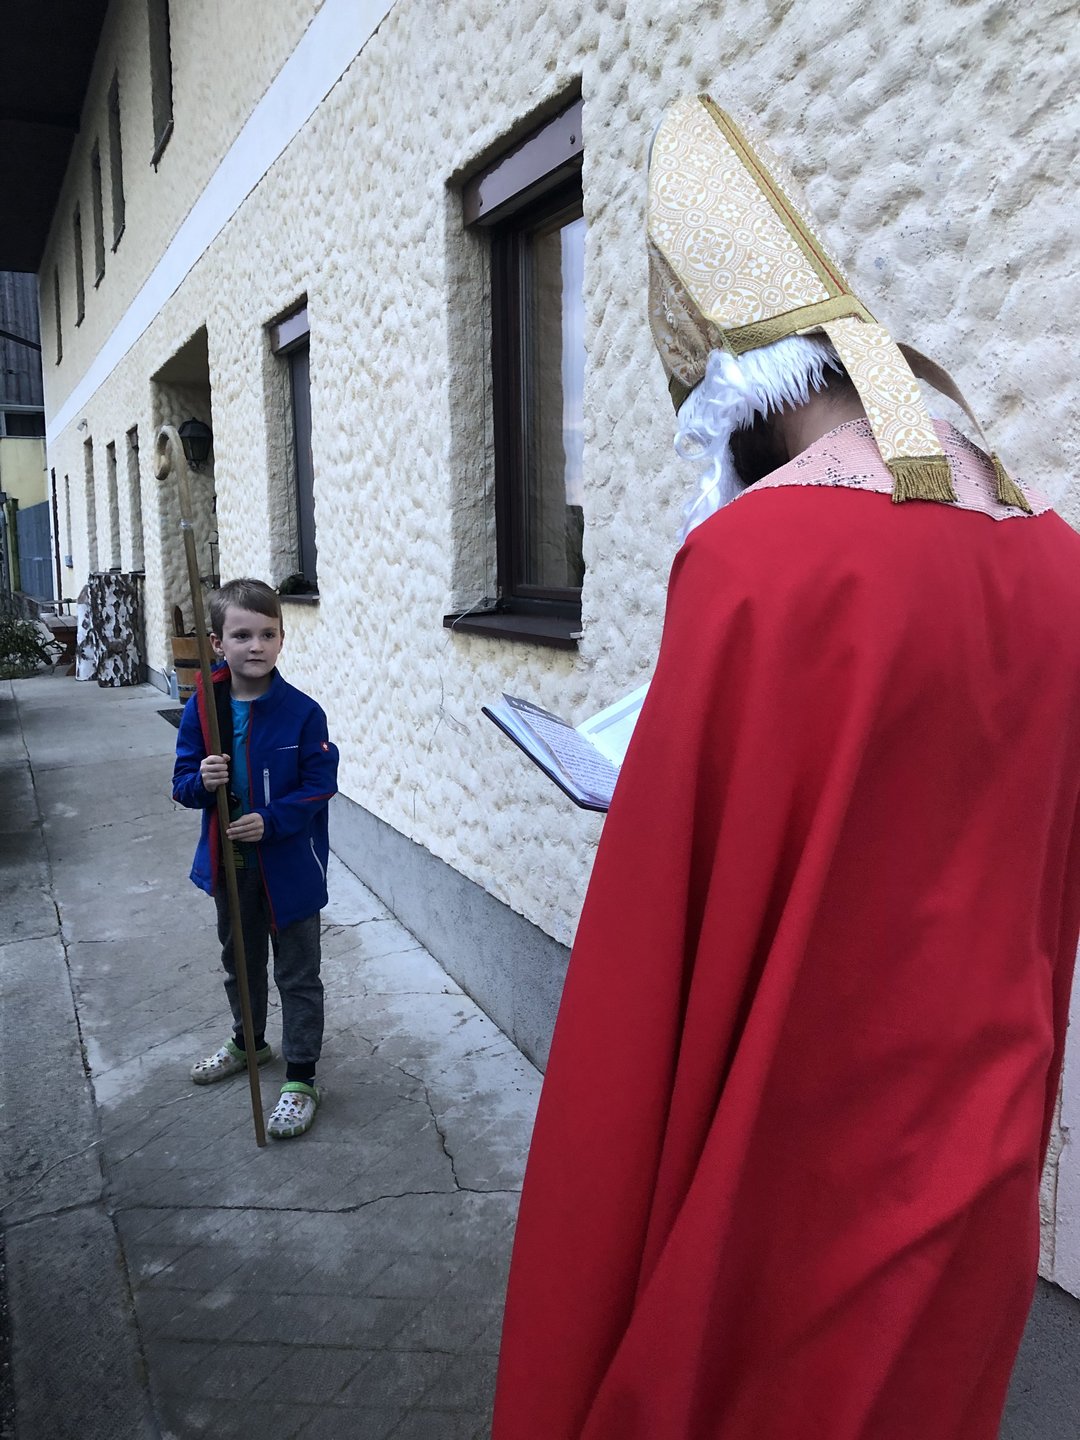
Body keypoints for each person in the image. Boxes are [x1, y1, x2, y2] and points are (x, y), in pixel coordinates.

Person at [492, 97, 1080, 1439]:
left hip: (796, 1175)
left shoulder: (756, 563)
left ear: (740, 408)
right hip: (983, 1161)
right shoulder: (1059, 566)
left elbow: (655, 972)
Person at [172, 578, 338, 1140]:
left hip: (290, 873)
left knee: (298, 973)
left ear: (282, 639)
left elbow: (319, 785)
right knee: (240, 965)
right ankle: (249, 1043)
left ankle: (302, 1076)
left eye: (268, 634)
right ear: (217, 643)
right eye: (242, 635)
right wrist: (201, 779)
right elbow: (181, 783)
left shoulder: (302, 713)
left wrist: (273, 819)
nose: (256, 645)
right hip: (231, 868)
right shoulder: (204, 708)